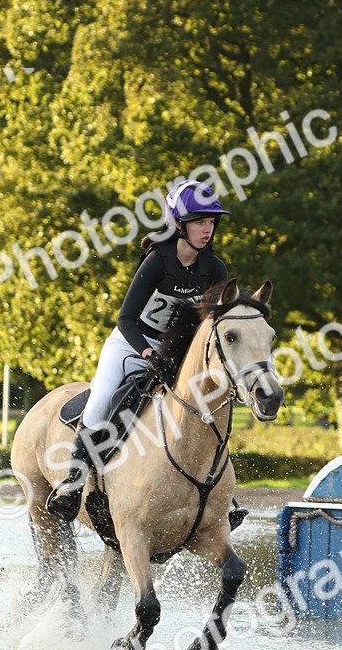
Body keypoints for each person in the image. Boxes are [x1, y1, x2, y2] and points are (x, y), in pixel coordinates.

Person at [46, 178, 247, 527]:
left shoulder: (215, 268)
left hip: (177, 351)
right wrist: (147, 352)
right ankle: (73, 484)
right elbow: (125, 318)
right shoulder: (158, 261)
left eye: (211, 222)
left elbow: (209, 327)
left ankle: (223, 496)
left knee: (207, 405)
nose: (207, 229)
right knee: (101, 399)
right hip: (131, 343)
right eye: (200, 221)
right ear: (179, 225)